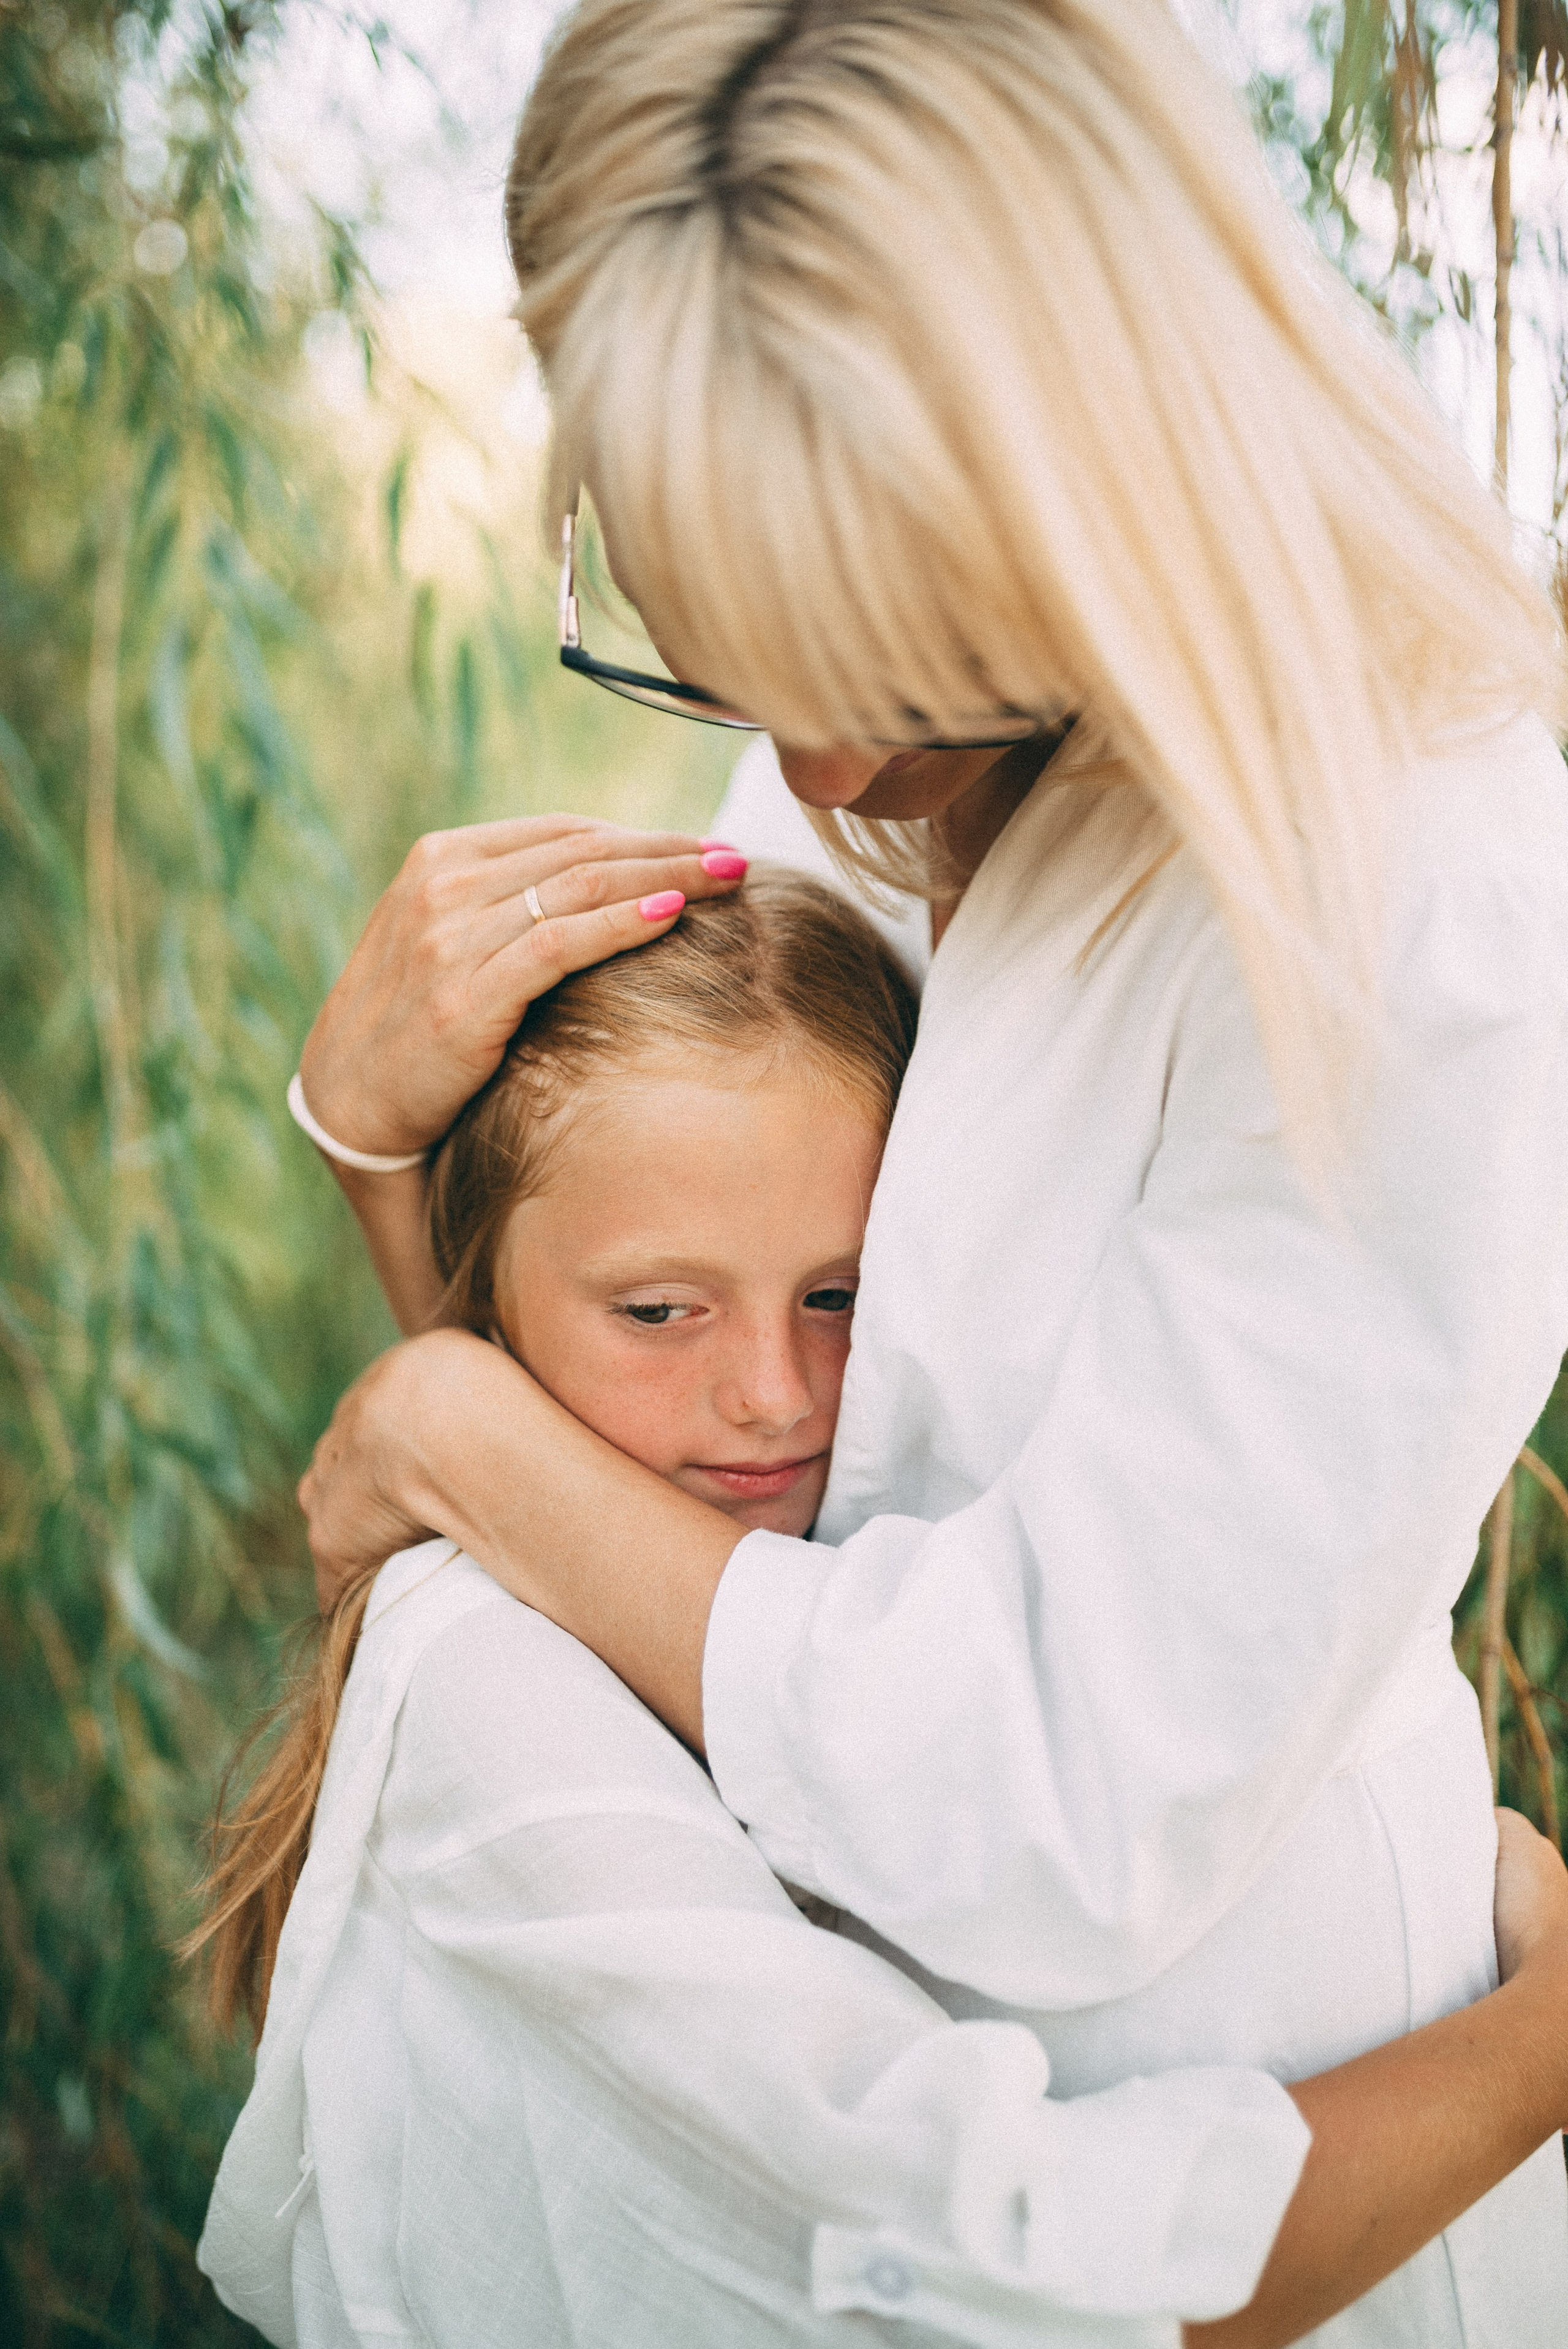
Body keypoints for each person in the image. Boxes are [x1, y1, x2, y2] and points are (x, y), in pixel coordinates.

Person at [292, 2, 1568, 2340]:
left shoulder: (1419, 880)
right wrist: (388, 1156)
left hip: (1259, 2128)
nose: (811, 760)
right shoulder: (864, 733)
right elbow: (672, 1424)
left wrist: (455, 1432)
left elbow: (1039, 1795)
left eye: (901, 661)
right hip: (831, 2106)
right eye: (709, 632)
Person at [196, 874, 1326, 2345]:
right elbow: (987, 2281)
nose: (774, 1396)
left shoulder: (816, 1574)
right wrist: (1532, 2047)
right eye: (660, 1310)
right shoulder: (486, 1694)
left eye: (839, 1295)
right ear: (487, 1305)